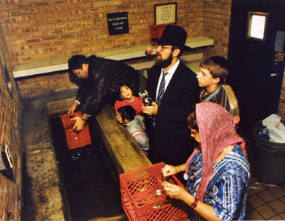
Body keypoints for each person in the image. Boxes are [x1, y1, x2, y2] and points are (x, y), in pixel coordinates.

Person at [161, 102, 250, 221]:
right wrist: (177, 169)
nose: (191, 136)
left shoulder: (233, 170)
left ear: (208, 132)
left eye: (194, 132)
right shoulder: (214, 145)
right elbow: (201, 163)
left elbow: (223, 218)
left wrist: (184, 197)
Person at [142, 24, 200, 165]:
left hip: (175, 144)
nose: (158, 50)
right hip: (155, 139)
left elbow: (186, 112)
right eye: (158, 46)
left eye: (163, 47)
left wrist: (159, 111)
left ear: (176, 52)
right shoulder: (154, 71)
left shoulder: (189, 79)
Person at [67, 55, 140, 131]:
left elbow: (99, 95)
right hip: (117, 85)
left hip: (130, 83)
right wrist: (76, 103)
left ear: (84, 66)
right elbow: (85, 85)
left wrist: (83, 118)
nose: (78, 76)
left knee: (128, 113)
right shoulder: (91, 65)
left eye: (78, 73)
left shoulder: (99, 71)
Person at [197, 56, 240, 125]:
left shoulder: (219, 104)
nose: (198, 76)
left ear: (216, 80)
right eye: (200, 71)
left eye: (203, 74)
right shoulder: (204, 90)